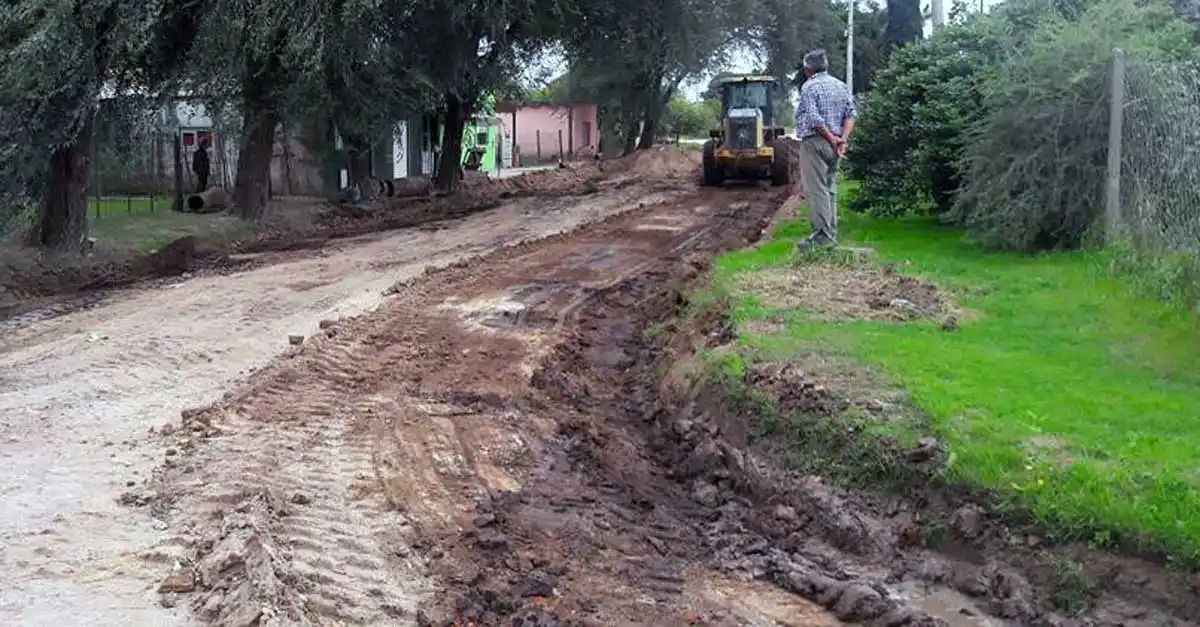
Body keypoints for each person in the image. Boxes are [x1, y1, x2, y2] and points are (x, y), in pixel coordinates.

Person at [793, 48, 857, 252]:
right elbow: (850, 115)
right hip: (836, 144)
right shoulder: (840, 85)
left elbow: (814, 118)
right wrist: (842, 140)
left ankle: (822, 236)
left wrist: (830, 137)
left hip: (815, 142)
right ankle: (831, 233)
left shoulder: (809, 87)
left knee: (816, 189)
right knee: (830, 188)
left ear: (808, 69)